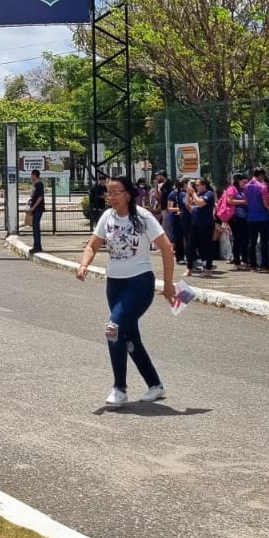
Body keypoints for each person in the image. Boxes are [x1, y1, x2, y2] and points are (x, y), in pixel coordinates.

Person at [74, 175, 178, 408]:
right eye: (108, 193)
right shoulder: (107, 217)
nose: (110, 197)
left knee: (114, 328)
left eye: (115, 192)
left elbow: (167, 249)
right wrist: (84, 264)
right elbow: (92, 245)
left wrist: (169, 284)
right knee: (129, 338)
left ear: (128, 194)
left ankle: (119, 388)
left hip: (139, 283)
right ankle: (155, 385)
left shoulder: (143, 217)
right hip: (115, 284)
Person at [185, 177, 217, 277]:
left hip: (206, 224)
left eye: (198, 185)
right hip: (195, 223)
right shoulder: (197, 194)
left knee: (206, 246)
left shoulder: (209, 194)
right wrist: (188, 193)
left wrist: (193, 193)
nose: (196, 187)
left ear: (204, 185)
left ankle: (208, 268)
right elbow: (187, 204)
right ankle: (189, 268)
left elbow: (200, 203)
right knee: (191, 246)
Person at [242, 168, 269, 271]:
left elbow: (246, 202)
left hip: (251, 217)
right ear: (261, 175)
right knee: (264, 241)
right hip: (263, 217)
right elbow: (265, 203)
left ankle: (253, 264)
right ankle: (264, 265)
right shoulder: (263, 187)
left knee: (252, 241)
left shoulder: (246, 187)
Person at [27, 170, 47, 254]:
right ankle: (36, 246)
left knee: (36, 227)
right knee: (34, 227)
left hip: (38, 209)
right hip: (34, 208)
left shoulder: (39, 184)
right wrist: (30, 201)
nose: (31, 176)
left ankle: (37, 246)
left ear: (35, 175)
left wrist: (33, 207)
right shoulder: (35, 185)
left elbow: (40, 197)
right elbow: (34, 196)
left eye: (32, 175)